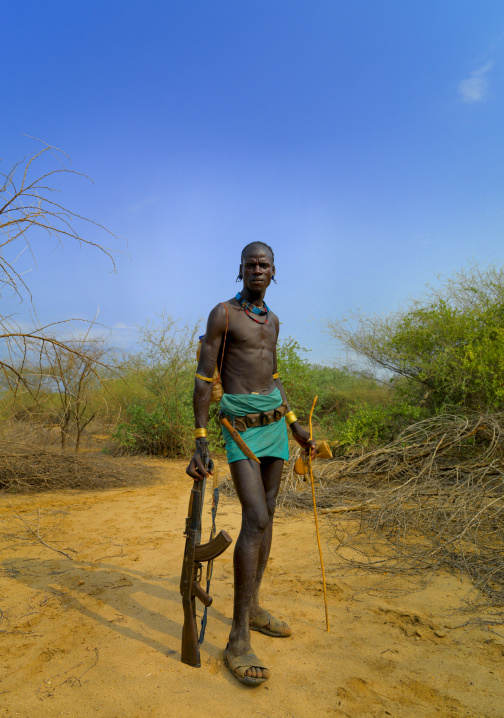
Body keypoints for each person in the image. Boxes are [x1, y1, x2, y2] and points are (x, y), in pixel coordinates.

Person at [186, 241, 315, 686]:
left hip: (276, 425)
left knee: (270, 513)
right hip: (239, 426)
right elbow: (205, 376)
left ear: (274, 271)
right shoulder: (223, 314)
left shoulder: (273, 320)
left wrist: (295, 424)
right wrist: (201, 439)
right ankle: (237, 639)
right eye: (250, 265)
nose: (257, 270)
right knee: (255, 518)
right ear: (239, 269)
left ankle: (254, 607)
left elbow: (274, 375)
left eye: (264, 265)